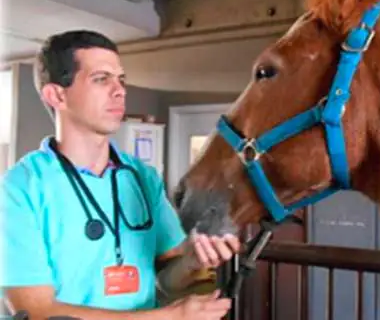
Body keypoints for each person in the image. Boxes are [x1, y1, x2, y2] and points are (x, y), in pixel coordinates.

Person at [0, 30, 240, 319]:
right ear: (57, 95)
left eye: (121, 79)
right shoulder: (20, 188)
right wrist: (170, 317)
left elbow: (166, 278)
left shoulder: (142, 177)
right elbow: (36, 311)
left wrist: (193, 257)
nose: (120, 90)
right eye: (101, 79)